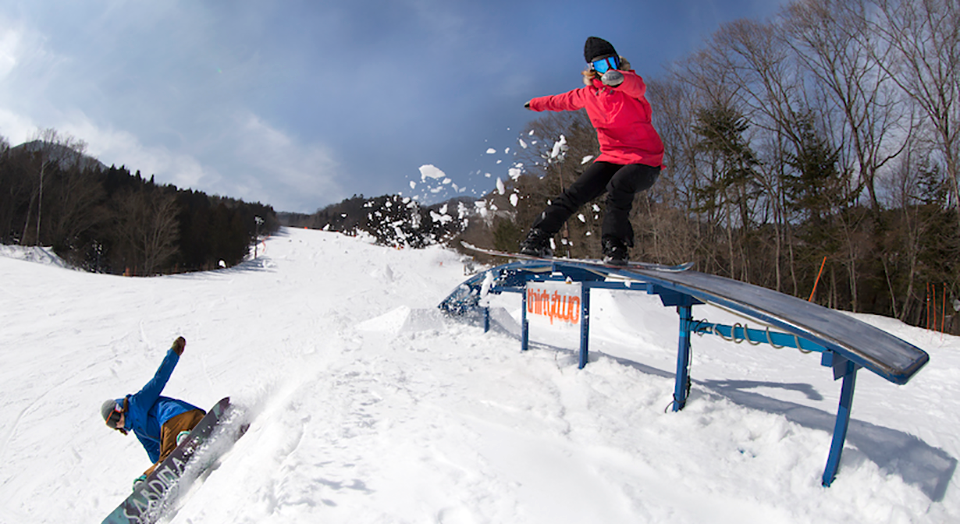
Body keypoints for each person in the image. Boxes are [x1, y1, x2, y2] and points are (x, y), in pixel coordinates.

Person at [521, 36, 664, 265]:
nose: (607, 69)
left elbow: (637, 86)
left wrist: (620, 79)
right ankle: (538, 237)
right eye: (600, 65)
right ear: (592, 69)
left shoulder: (630, 85)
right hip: (612, 157)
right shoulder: (588, 95)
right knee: (576, 192)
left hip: (645, 160)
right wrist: (536, 103)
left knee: (619, 186)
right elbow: (561, 101)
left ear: (619, 62)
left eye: (612, 62)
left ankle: (614, 246)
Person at [101, 336, 205, 486]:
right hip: (195, 420)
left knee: (168, 457)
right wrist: (158, 466)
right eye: (112, 424)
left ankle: (149, 478)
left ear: (120, 409)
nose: (117, 424)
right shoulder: (139, 431)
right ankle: (186, 440)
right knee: (165, 457)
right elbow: (155, 453)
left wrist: (174, 353)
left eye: (115, 418)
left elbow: (159, 380)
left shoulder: (137, 403)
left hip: (176, 417)